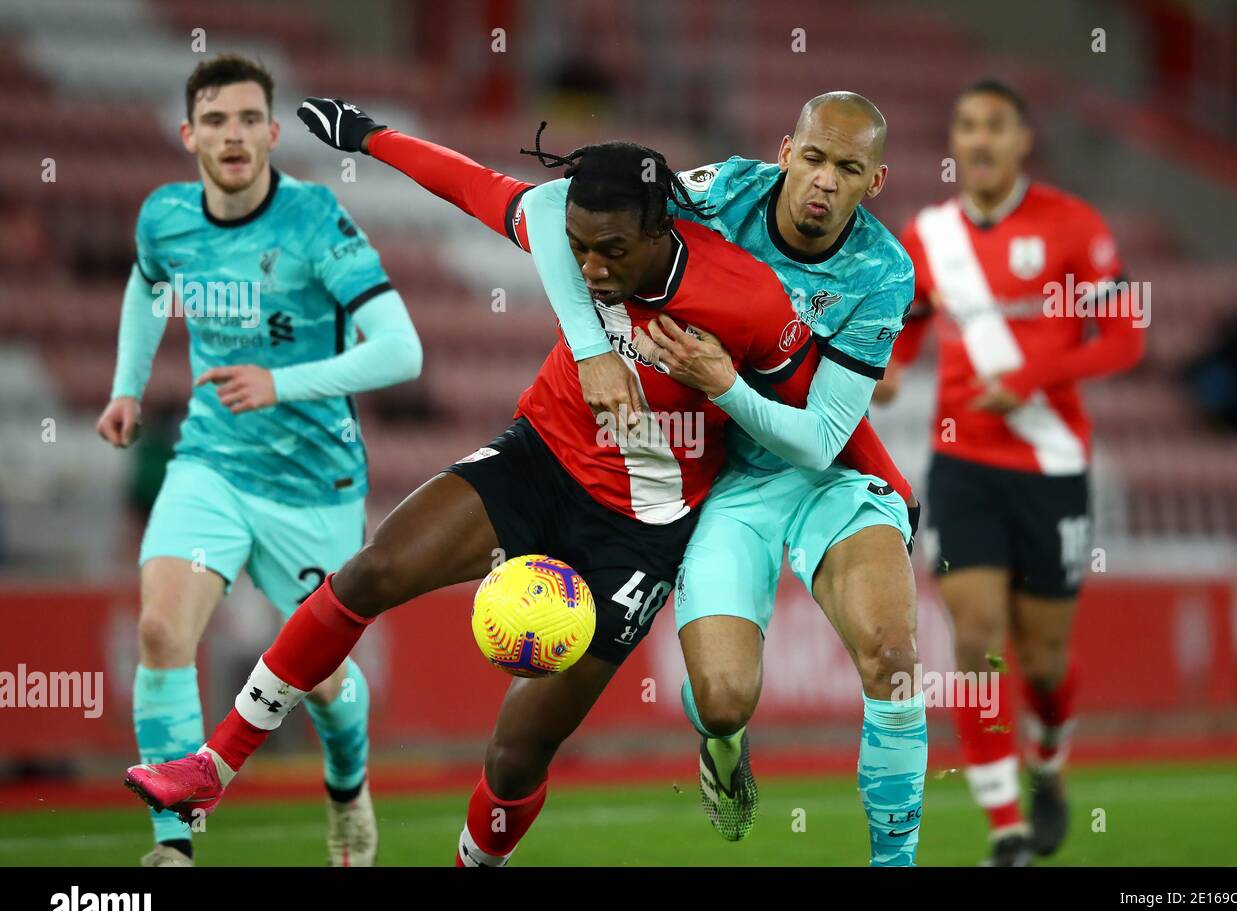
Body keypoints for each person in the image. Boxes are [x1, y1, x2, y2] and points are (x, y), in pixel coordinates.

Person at [124, 97, 911, 867]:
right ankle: (211, 769)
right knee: (373, 570)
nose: (590, 267)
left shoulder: (751, 300)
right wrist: (371, 136)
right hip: (540, 460)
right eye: (578, 249)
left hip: (641, 530)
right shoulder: (601, 227)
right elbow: (476, 187)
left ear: (659, 233)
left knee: (517, 756)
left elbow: (821, 419)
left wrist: (876, 474)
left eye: (610, 252)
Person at [521, 91, 925, 865]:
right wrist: (590, 349)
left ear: (874, 182)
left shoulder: (882, 271)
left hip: (826, 480)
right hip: (730, 486)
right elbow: (547, 204)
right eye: (812, 158)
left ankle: (894, 861)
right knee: (723, 699)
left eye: (848, 168)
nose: (824, 182)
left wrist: (723, 386)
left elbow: (823, 440)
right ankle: (723, 742)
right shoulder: (720, 190)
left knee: (893, 658)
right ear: (784, 152)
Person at [97, 56, 422, 866]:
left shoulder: (316, 221)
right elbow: (146, 287)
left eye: (248, 119)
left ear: (274, 134)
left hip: (316, 482)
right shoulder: (165, 218)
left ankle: (348, 785)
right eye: (215, 120)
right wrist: (127, 389)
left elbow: (402, 351)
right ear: (188, 135)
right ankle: (175, 843)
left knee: (325, 688)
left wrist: (281, 383)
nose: (232, 135)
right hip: (210, 462)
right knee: (161, 629)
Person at [878, 79, 1145, 865]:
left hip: (1052, 463)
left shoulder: (1073, 225)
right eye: (967, 125)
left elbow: (1126, 337)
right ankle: (1006, 829)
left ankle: (1051, 764)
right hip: (962, 465)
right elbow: (914, 322)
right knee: (977, 644)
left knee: (1045, 659)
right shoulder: (929, 234)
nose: (981, 138)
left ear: (1023, 140)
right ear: (955, 143)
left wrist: (1031, 378)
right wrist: (891, 368)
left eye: (996, 125)